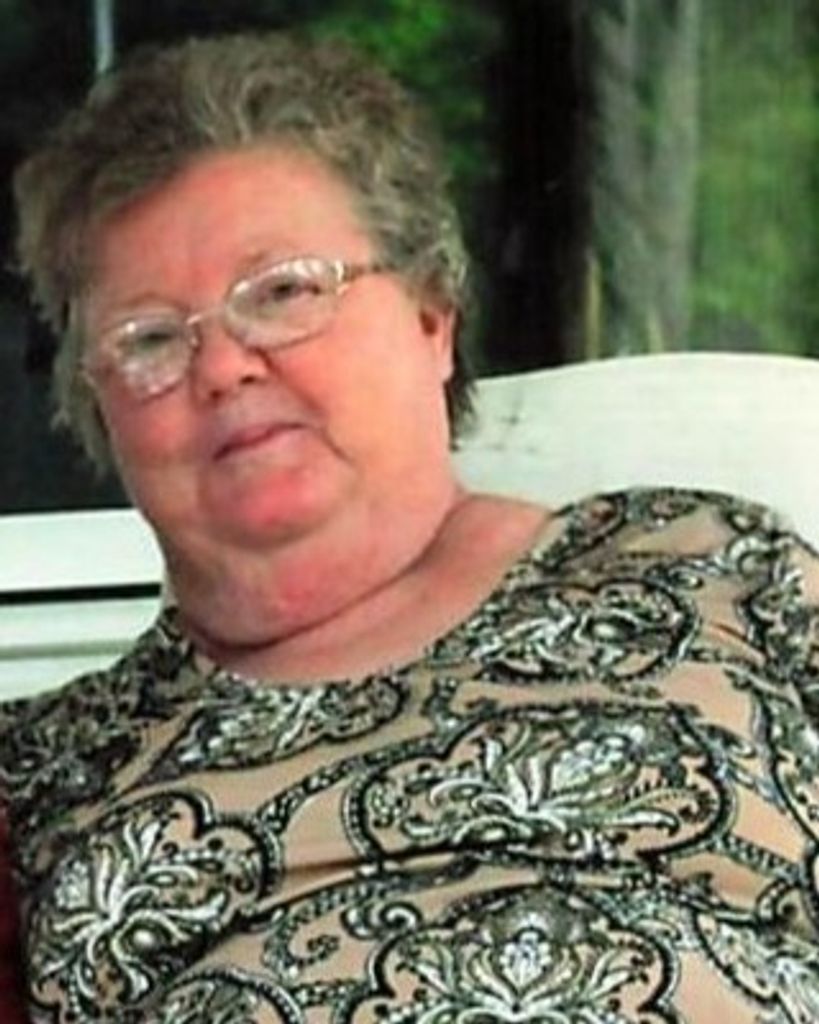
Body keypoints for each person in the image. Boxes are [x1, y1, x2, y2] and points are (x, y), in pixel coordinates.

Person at [2, 30, 819, 1024]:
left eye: (284, 291)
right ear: (99, 413)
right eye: (151, 340)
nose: (222, 367)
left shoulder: (716, 571)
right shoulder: (47, 771)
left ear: (433, 314)